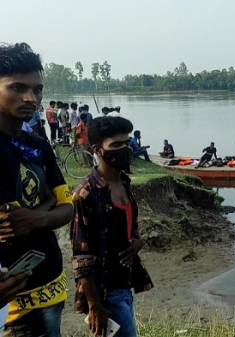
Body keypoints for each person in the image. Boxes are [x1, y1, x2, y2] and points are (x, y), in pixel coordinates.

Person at [0, 42, 74, 337]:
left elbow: (68, 206)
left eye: (37, 89)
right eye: (17, 88)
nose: (31, 98)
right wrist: (46, 207)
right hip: (12, 299)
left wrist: (38, 217)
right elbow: (11, 221)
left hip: (52, 282)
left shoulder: (38, 144)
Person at [71, 116, 153, 337]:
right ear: (98, 150)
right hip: (105, 291)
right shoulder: (85, 193)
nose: (124, 149)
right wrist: (95, 305)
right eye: (116, 145)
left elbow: (128, 228)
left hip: (125, 282)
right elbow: (81, 256)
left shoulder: (124, 182)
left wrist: (138, 242)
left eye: (126, 143)